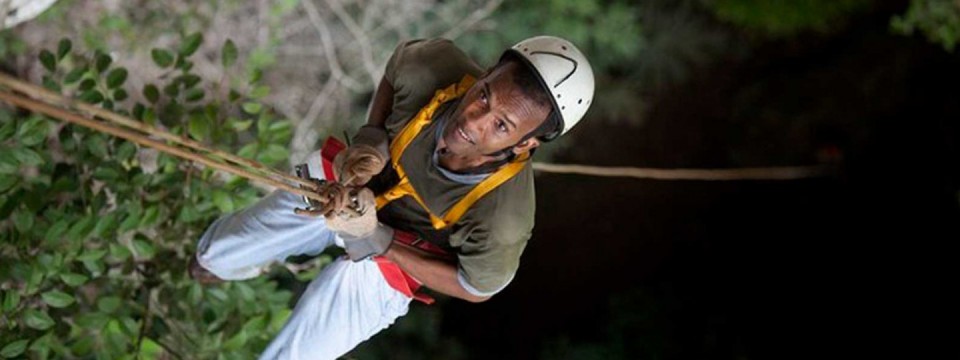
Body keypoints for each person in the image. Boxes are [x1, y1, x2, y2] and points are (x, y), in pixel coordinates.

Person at [189, 35, 595, 359]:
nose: (474, 120)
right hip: (354, 187)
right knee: (216, 252)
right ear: (485, 74)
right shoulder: (435, 67)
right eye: (484, 95)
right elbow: (393, 71)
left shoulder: (503, 218)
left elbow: (476, 288)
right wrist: (371, 141)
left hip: (399, 254)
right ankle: (215, 263)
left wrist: (380, 241)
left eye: (502, 125)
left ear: (526, 145)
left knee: (301, 353)